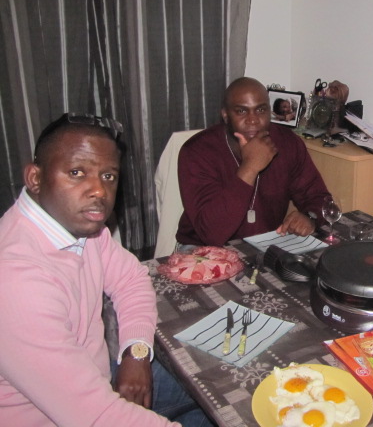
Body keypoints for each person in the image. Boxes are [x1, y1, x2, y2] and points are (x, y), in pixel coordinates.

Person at [0, 114, 213, 426]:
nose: (99, 191)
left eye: (108, 176)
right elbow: (95, 416)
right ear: (35, 178)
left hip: (95, 383)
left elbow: (131, 278)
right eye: (77, 172)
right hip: (65, 416)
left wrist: (136, 352)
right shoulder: (16, 282)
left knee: (212, 383)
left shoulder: (77, 226)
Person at [176, 77, 330, 248]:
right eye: (241, 111)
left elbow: (319, 198)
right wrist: (249, 168)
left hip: (266, 243)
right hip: (202, 248)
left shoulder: (287, 143)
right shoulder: (197, 151)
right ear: (225, 115)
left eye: (261, 110)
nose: (253, 120)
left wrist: (309, 217)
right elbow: (211, 234)